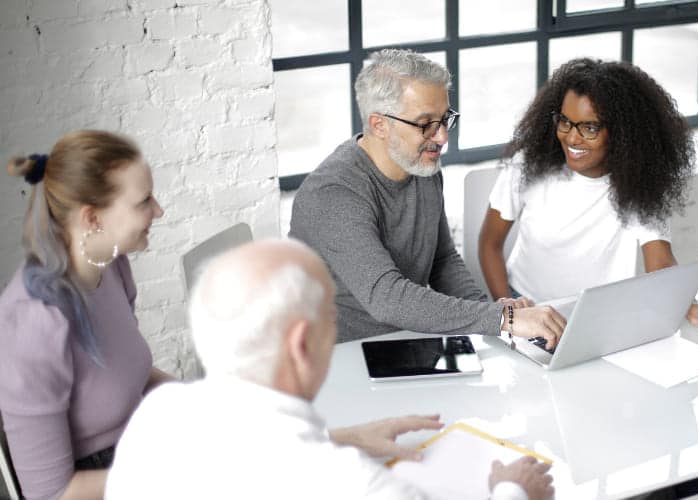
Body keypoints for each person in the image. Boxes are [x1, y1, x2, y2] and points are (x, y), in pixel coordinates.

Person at [105, 239, 555, 500]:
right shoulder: (353, 484)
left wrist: (342, 435)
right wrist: (512, 490)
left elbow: (246, 461)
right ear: (302, 344)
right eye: (331, 321)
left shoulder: (156, 415)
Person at [289, 48, 566, 347]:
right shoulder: (333, 193)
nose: (442, 137)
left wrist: (497, 313)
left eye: (445, 118)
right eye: (425, 124)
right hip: (334, 357)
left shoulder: (422, 166)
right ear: (379, 124)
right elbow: (388, 298)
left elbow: (442, 260)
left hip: (406, 342)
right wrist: (502, 320)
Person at [479, 58, 698, 335]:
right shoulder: (527, 166)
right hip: (528, 307)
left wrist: (688, 305)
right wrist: (509, 312)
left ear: (622, 133)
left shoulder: (638, 183)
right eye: (565, 122)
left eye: (589, 128)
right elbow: (489, 245)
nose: (572, 138)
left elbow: (660, 261)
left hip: (594, 318)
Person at [0, 130, 172, 500]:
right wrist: (165, 471)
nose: (158, 210)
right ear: (92, 218)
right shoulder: (33, 324)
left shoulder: (112, 266)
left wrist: (198, 396)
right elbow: (51, 494)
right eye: (144, 201)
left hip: (138, 454)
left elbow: (124, 375)